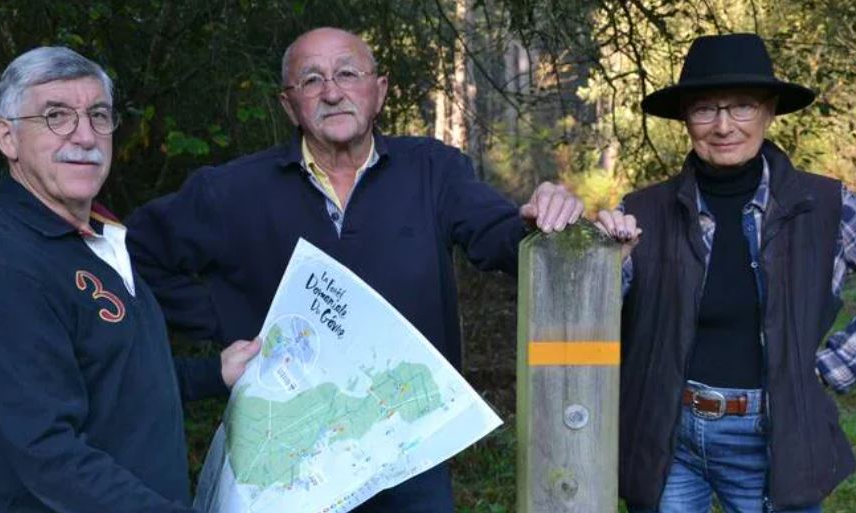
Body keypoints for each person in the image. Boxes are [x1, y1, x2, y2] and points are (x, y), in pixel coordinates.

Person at [126, 27, 584, 513]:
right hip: (285, 451)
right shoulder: (232, 190)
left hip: (408, 447)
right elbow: (136, 256)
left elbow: (497, 236)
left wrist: (537, 222)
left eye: (347, 73)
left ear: (379, 90)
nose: (332, 91)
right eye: (311, 80)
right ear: (289, 105)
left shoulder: (432, 170)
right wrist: (223, 319)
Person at [594, 33, 856, 512]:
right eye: (704, 109)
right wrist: (603, 261)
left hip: (772, 438)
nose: (723, 126)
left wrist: (834, 368)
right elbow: (587, 320)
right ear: (685, 119)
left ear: (769, 111)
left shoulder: (822, 206)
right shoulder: (643, 212)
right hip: (668, 436)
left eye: (741, 106)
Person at [0, 46, 260, 513]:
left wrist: (217, 374)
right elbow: (48, 454)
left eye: (98, 115)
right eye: (56, 116)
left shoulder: (98, 237)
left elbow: (114, 374)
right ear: (7, 137)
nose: (85, 136)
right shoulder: (0, 268)